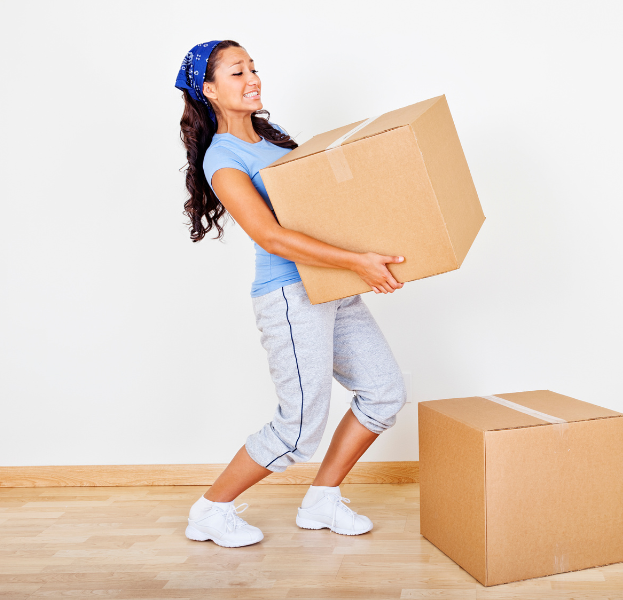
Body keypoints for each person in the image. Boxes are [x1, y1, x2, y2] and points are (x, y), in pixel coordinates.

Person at [174, 40, 408, 548]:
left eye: (253, 68)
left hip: (332, 286)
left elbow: (324, 211)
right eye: (238, 72)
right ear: (209, 90)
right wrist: (357, 263)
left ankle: (321, 501)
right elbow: (272, 237)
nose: (253, 78)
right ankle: (211, 510)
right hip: (290, 295)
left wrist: (369, 253)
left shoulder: (275, 145)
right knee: (299, 427)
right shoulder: (224, 157)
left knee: (384, 392)